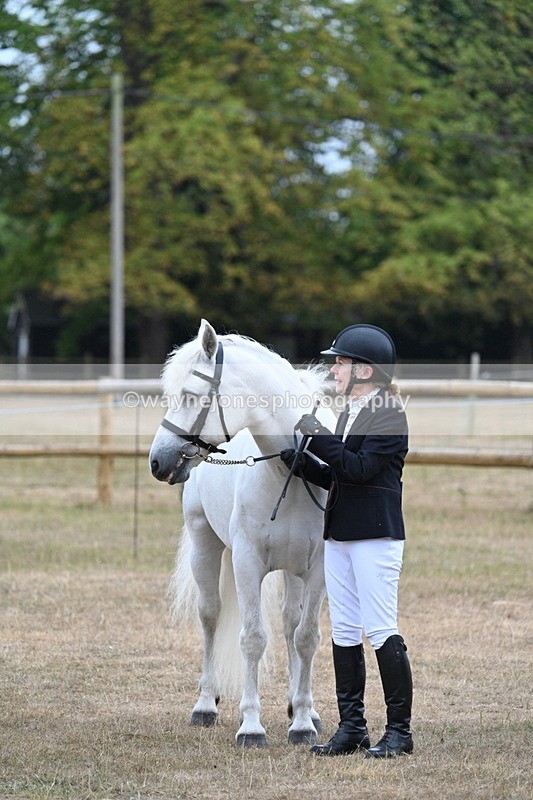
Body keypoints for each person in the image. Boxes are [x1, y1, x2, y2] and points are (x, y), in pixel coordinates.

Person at [281, 324, 413, 759]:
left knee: (380, 629)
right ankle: (352, 727)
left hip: (375, 535)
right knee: (343, 630)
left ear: (364, 371)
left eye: (340, 362)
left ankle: (399, 733)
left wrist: (318, 435)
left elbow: (358, 469)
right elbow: (340, 475)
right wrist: (301, 463)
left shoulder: (390, 414)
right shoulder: (349, 413)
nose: (334, 369)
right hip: (339, 533)